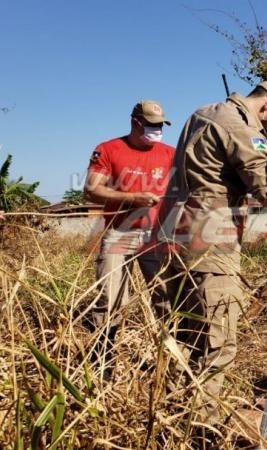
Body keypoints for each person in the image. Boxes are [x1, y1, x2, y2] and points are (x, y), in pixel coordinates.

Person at [154, 80, 267, 435]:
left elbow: (257, 157)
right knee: (216, 345)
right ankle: (201, 434)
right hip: (209, 245)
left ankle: (170, 422)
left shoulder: (207, 114)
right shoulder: (241, 126)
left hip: (174, 237)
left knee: (182, 340)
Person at [83, 100, 175, 373]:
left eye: (160, 125)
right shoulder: (108, 149)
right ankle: (103, 365)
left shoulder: (170, 153)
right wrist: (131, 198)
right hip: (119, 234)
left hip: (156, 235)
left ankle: (171, 362)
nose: (157, 130)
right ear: (135, 122)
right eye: (152, 124)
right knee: (110, 300)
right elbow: (91, 190)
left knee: (167, 299)